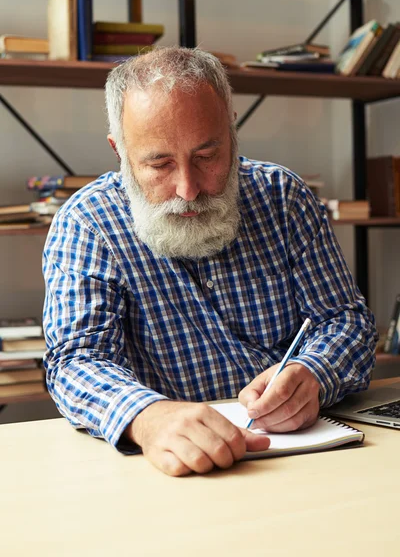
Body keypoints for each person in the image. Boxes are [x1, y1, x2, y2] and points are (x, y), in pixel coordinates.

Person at [42, 46, 378, 477]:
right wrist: (149, 418)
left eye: (207, 157)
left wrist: (312, 372)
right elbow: (76, 361)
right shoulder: (87, 224)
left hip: (304, 455)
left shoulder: (284, 198)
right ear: (120, 153)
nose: (188, 189)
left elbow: (345, 320)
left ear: (231, 132)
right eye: (159, 163)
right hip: (168, 472)